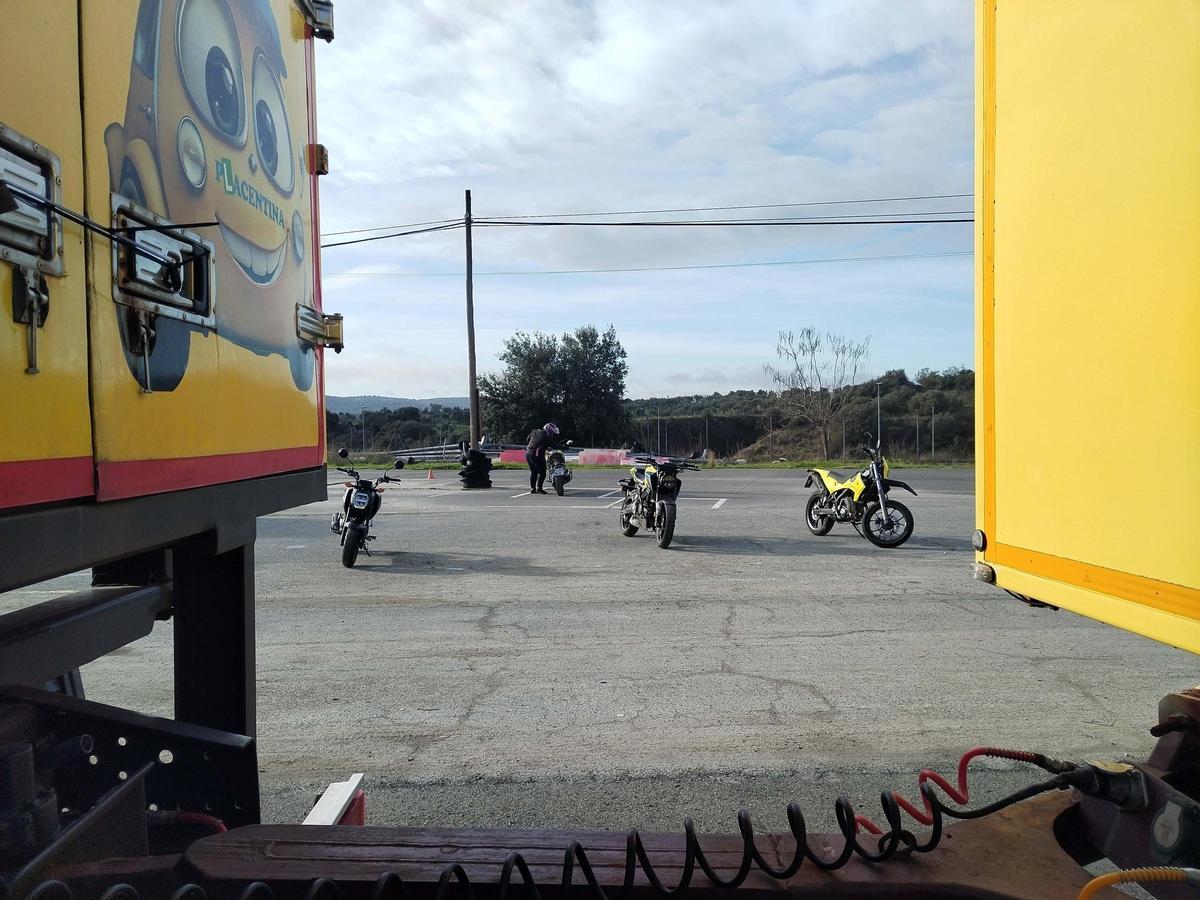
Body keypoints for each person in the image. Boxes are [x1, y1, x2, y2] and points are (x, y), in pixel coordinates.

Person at [525, 422, 559, 494]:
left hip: (528, 452)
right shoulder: (546, 436)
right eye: (552, 433)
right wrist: (565, 447)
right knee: (542, 472)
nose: (552, 434)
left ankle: (533, 488)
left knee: (533, 472)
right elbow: (554, 445)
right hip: (536, 454)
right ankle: (539, 488)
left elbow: (527, 439)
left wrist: (539, 445)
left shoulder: (534, 431)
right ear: (549, 431)